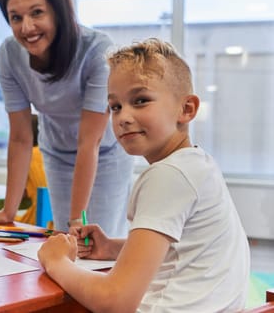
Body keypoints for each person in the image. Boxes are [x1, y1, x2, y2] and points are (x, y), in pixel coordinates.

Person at [37, 38, 250, 312]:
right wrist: (114, 249)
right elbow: (188, 249)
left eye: (140, 100)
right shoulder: (198, 164)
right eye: (115, 106)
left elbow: (115, 301)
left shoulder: (168, 175)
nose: (123, 117)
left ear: (186, 109)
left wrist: (56, 261)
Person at [0, 0, 133, 235]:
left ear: (58, 11)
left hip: (104, 152)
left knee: (96, 235)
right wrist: (8, 212)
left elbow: (89, 142)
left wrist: (77, 220)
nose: (27, 27)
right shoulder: (10, 55)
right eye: (15, 17)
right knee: (64, 235)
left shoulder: (97, 50)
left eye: (37, 13)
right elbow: (21, 138)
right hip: (57, 150)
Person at [15, 113, 48, 225]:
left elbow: (19, 193)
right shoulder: (49, 155)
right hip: (54, 220)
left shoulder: (27, 157)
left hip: (36, 219)